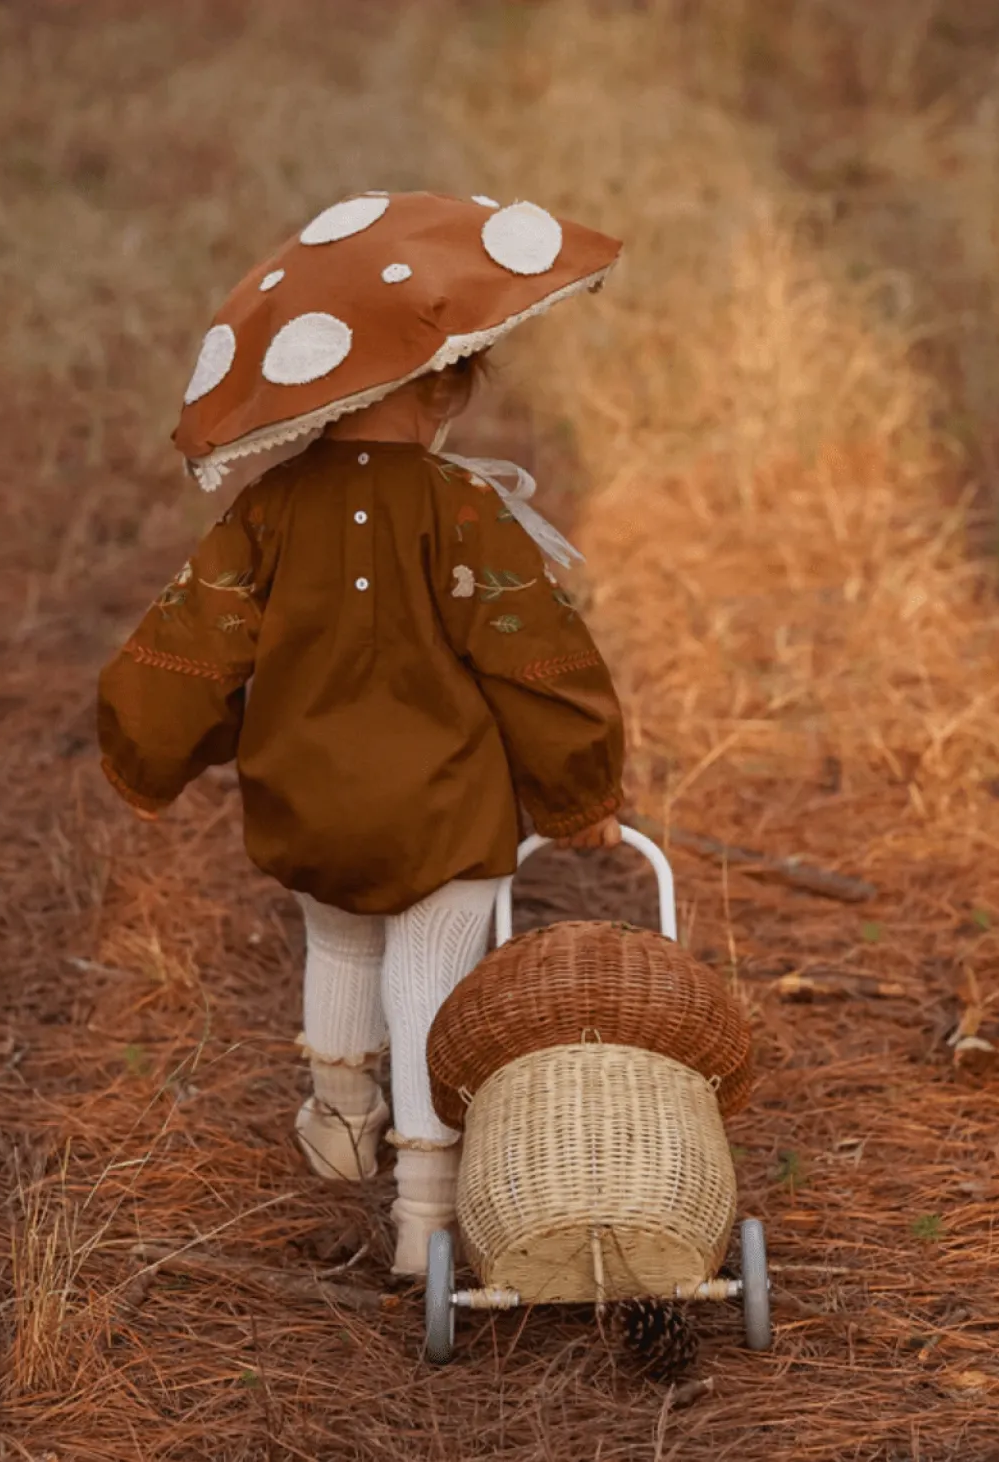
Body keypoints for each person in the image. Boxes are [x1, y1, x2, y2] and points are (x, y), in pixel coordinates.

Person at [97, 190, 626, 1275]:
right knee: (427, 970)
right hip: (441, 805)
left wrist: (144, 750)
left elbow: (192, 644)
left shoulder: (262, 510)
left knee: (337, 938)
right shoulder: (461, 510)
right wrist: (582, 792)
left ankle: (339, 1118)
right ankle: (423, 1206)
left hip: (307, 797)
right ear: (440, 381)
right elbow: (538, 664)